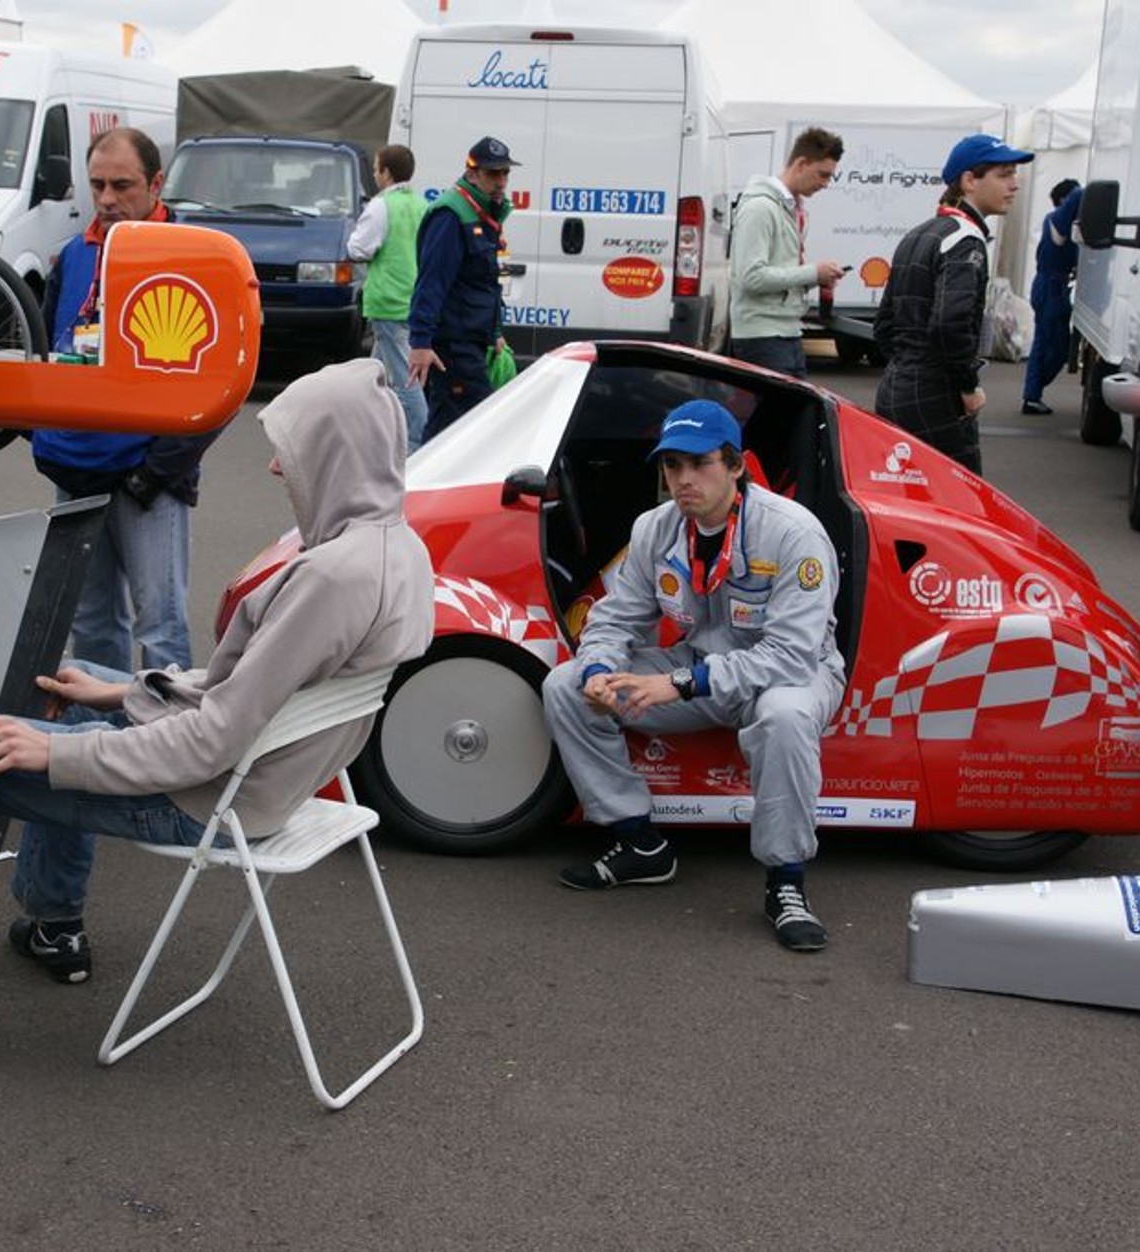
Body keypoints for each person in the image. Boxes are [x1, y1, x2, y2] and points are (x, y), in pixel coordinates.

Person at [0, 358, 435, 1055]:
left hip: (207, 795)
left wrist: (57, 753)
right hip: (268, 777)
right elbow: (253, 692)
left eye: (292, 447)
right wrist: (122, 692)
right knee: (61, 685)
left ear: (335, 452)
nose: (275, 467)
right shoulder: (394, 550)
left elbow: (211, 740)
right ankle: (53, 921)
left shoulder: (329, 577)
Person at [542, 400, 847, 953]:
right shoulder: (655, 528)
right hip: (700, 671)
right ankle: (639, 844)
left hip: (788, 677)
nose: (683, 480)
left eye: (700, 463)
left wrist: (679, 684)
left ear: (734, 466)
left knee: (783, 716)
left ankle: (786, 882)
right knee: (564, 685)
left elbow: (791, 655)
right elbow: (615, 617)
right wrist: (598, 668)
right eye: (672, 466)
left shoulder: (794, 534)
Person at [30, 127, 218, 675]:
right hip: (75, 468)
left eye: (122, 185)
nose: (108, 199)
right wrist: (45, 438)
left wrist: (159, 469)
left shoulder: (192, 256)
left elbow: (219, 383)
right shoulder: (73, 254)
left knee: (160, 626)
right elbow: (46, 351)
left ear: (156, 183)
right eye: (97, 185)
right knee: (90, 622)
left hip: (148, 476)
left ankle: (170, 750)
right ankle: (100, 744)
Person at [873, 133, 1035, 475]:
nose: (1014, 184)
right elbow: (950, 323)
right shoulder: (965, 240)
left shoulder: (918, 233)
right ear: (969, 180)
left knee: (906, 503)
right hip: (936, 395)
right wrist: (967, 386)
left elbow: (884, 324)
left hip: (896, 387)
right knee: (960, 507)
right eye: (1004, 174)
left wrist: (907, 368)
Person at [408, 135, 516, 443]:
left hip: (473, 341)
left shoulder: (487, 214)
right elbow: (431, 284)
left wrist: (495, 332)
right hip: (452, 345)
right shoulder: (451, 216)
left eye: (505, 173)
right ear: (472, 173)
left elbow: (490, 283)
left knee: (453, 431)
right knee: (464, 430)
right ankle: (414, 487)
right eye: (493, 173)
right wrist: (420, 342)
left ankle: (416, 486)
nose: (501, 181)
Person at [728, 127, 847, 379]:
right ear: (801, 164)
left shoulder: (790, 208)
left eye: (830, 177)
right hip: (762, 337)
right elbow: (750, 278)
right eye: (823, 174)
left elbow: (778, 276)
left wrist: (818, 279)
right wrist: (812, 273)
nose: (826, 184)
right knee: (781, 417)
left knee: (793, 416)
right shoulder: (760, 208)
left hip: (786, 333)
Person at [347, 143, 429, 448]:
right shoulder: (423, 206)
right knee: (374, 377)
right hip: (414, 302)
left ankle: (416, 447)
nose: (374, 174)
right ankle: (369, 438)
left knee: (405, 382)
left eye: (375, 169)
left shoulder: (381, 206)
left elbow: (359, 248)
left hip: (387, 303)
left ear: (387, 173)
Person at [1020, 178, 1082, 415]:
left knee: (1054, 345)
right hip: (1051, 286)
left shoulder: (1061, 222)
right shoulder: (1057, 219)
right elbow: (1080, 194)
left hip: (1054, 286)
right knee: (1048, 344)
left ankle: (1033, 392)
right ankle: (1032, 394)